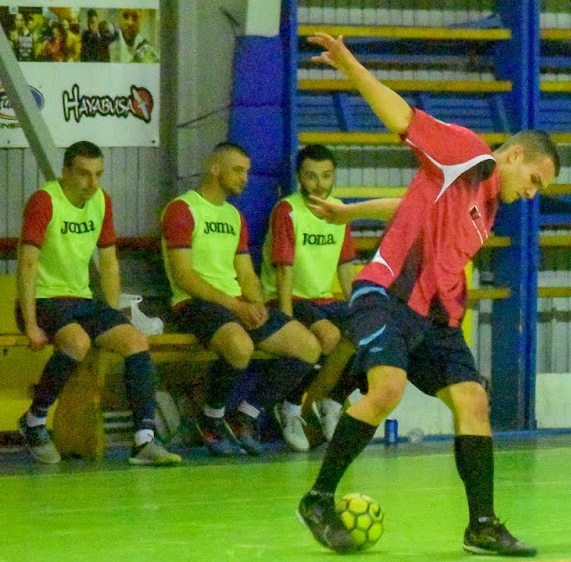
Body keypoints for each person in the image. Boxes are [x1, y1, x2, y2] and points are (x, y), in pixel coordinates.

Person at [295, 32, 560, 556]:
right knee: (387, 388)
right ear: (515, 155)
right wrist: (349, 62)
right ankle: (319, 498)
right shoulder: (466, 154)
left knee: (473, 400)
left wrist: (351, 211)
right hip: (386, 295)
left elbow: (414, 203)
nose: (531, 194)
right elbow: (401, 117)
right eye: (533, 180)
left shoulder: (488, 204)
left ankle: (481, 524)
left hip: (435, 318)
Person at [16, 141, 181, 466]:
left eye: (98, 175)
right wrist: (32, 323)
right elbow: (27, 263)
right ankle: (34, 420)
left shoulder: (101, 202)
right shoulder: (44, 201)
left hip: (81, 300)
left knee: (135, 340)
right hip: (44, 298)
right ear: (65, 172)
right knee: (77, 342)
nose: (92, 183)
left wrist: (115, 313)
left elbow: (108, 263)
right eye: (83, 174)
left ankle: (143, 440)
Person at [160, 142, 324, 457]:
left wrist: (258, 304)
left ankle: (245, 415)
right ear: (214, 167)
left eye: (247, 172)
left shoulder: (235, 216)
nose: (244, 178)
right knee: (240, 347)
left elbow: (246, 273)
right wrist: (236, 306)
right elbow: (183, 276)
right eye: (238, 170)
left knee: (308, 347)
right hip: (194, 303)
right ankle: (210, 418)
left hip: (235, 304)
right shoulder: (183, 209)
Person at [259, 144, 359, 449]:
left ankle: (333, 400)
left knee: (370, 335)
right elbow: (283, 269)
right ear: (300, 178)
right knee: (327, 339)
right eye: (312, 177)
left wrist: (359, 308)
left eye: (326, 176)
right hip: (289, 297)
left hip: (324, 299)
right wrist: (287, 318)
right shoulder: (287, 210)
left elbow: (345, 266)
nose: (320, 184)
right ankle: (290, 406)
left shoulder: (339, 210)